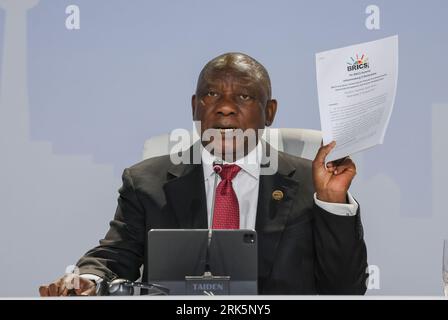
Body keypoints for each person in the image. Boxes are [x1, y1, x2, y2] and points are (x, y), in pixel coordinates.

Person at [39, 52, 367, 296]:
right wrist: (87, 279)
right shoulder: (145, 182)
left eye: (243, 96)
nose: (225, 106)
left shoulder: (313, 185)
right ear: (196, 107)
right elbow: (114, 255)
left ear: (269, 112)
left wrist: (332, 203)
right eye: (212, 95)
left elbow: (346, 289)